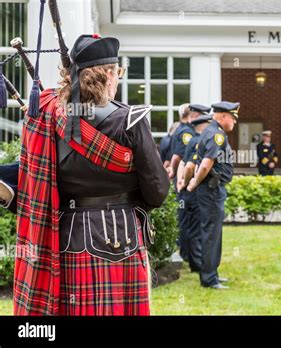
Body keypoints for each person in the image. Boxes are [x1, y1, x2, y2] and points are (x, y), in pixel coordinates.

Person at [14, 34, 169, 316]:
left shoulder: (49, 115)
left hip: (66, 235)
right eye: (118, 72)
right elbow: (157, 191)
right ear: (109, 74)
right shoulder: (130, 119)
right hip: (120, 235)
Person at [187, 101, 239, 289]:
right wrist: (195, 182)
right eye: (233, 118)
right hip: (211, 190)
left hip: (212, 189)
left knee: (213, 233)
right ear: (224, 116)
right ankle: (208, 279)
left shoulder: (211, 132)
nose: (234, 122)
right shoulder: (216, 135)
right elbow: (207, 164)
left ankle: (212, 274)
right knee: (210, 233)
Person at [169, 103, 211, 262]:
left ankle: (186, 254)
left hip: (183, 181)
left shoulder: (181, 129)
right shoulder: (187, 133)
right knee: (188, 221)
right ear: (194, 116)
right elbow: (180, 159)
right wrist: (180, 179)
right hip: (187, 183)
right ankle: (187, 255)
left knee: (185, 218)